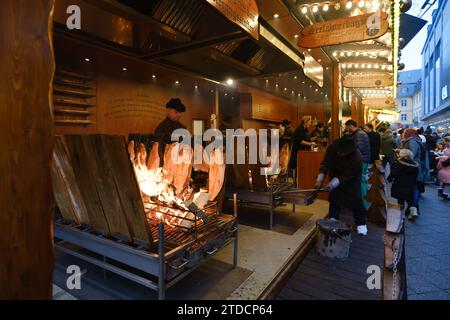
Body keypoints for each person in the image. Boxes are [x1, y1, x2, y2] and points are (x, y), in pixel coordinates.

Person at [315, 135, 368, 235]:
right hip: (335, 172)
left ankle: (361, 223)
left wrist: (333, 183)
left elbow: (346, 175)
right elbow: (325, 163)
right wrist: (320, 178)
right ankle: (333, 218)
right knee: (334, 197)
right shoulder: (332, 147)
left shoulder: (357, 157)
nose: (339, 154)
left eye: (342, 153)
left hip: (351, 177)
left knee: (356, 198)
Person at [344, 119, 371, 208]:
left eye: (347, 127)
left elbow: (358, 149)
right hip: (363, 159)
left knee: (361, 180)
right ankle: (362, 202)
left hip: (362, 160)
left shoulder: (359, 134)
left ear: (351, 126)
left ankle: (363, 203)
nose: (346, 129)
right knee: (361, 180)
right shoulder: (360, 133)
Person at [401, 128, 428, 217]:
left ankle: (413, 208)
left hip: (412, 168)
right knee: (414, 188)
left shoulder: (412, 141)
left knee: (413, 188)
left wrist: (401, 153)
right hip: (416, 167)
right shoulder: (417, 140)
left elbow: (411, 155)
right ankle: (413, 208)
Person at [387, 149, 419, 220]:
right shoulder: (414, 164)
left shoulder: (398, 163)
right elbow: (416, 175)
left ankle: (401, 215)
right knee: (409, 198)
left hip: (399, 184)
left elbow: (393, 173)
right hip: (410, 185)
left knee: (400, 199)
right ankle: (413, 210)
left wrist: (389, 179)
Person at [154, 98, 187, 165]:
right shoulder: (161, 128)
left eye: (180, 112)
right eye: (176, 112)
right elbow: (159, 150)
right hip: (167, 163)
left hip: (181, 163)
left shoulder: (183, 128)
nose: (178, 114)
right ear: (168, 110)